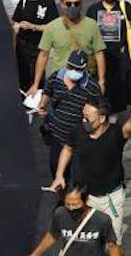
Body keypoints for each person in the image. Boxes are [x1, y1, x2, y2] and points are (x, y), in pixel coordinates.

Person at [51, 95, 131, 244]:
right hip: (84, 198)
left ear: (101, 119)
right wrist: (59, 175)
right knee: (85, 240)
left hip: (111, 198)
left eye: (87, 118)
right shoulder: (77, 131)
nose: (83, 121)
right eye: (83, 116)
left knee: (112, 242)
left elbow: (130, 125)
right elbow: (67, 149)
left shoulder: (116, 133)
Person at [28, 0, 107, 98]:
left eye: (76, 3)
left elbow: (99, 53)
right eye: (68, 4)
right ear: (62, 5)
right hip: (60, 81)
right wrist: (36, 84)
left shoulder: (92, 25)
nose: (72, 7)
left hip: (85, 80)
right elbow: (43, 55)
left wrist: (101, 81)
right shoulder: (52, 27)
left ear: (81, 4)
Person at [38, 50, 103, 179]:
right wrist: (42, 104)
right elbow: (48, 91)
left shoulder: (91, 87)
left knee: (76, 178)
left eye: (77, 69)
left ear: (84, 69)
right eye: (71, 67)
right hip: (57, 135)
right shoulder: (56, 78)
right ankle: (61, 197)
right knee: (56, 171)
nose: (73, 70)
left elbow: (97, 111)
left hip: (78, 139)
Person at [86, 0, 131, 114]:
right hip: (100, 54)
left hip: (121, 54)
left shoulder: (123, 6)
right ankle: (100, 111)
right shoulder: (93, 9)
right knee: (101, 83)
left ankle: (114, 113)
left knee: (119, 85)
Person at [28, 184, 121, 256]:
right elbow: (52, 235)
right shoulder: (60, 214)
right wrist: (35, 254)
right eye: (68, 204)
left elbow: (112, 246)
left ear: (86, 201)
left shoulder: (102, 219)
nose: (71, 208)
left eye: (75, 205)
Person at [10, 0, 59, 93]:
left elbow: (53, 26)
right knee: (23, 75)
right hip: (22, 45)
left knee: (37, 77)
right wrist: (15, 35)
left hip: (39, 46)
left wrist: (33, 26)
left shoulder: (49, 2)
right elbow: (16, 20)